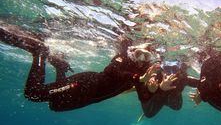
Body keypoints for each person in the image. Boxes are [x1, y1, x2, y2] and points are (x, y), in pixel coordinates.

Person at [0, 21, 156, 111]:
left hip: (87, 98)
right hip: (84, 85)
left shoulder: (145, 71)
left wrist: (153, 89)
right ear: (135, 46)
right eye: (141, 51)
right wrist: (137, 77)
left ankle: (60, 67)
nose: (143, 56)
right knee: (33, 94)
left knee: (55, 105)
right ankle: (39, 51)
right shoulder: (124, 56)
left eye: (148, 53)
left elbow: (144, 98)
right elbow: (111, 71)